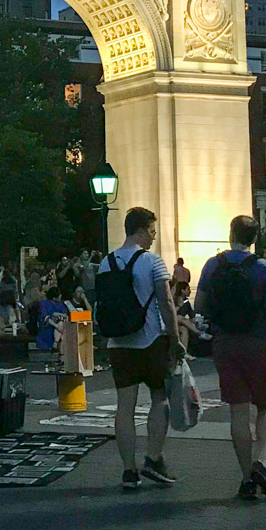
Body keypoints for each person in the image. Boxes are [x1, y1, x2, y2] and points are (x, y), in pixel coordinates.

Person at [198, 216, 266, 500]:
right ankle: (262, 461)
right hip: (256, 342)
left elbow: (200, 304)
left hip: (225, 344)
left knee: (238, 410)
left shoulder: (213, 265)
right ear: (254, 239)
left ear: (230, 234)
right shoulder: (263, 268)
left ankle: (246, 477)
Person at [99, 207, 182, 491]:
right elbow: (166, 304)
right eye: (153, 232)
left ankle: (128, 470)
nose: (153, 238)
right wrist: (174, 339)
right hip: (150, 340)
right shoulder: (152, 262)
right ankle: (153, 457)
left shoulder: (105, 263)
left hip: (118, 343)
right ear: (143, 229)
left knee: (125, 406)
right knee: (160, 398)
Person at [0, 267, 20, 334]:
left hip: (3, 297)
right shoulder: (13, 280)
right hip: (11, 297)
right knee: (15, 307)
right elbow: (15, 290)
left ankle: (5, 321)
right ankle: (17, 319)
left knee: (3, 309)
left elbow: (0, 290)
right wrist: (15, 297)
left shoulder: (3, 281)